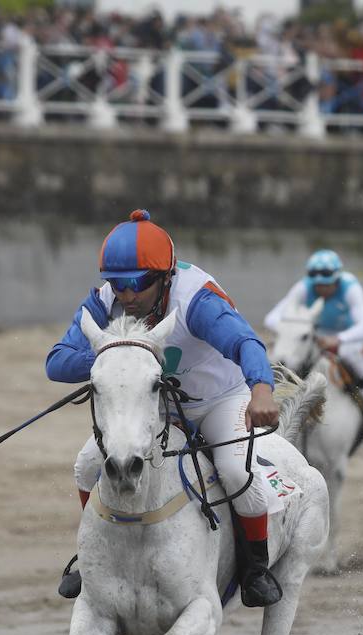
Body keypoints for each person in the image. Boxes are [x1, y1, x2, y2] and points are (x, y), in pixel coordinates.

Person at [45, 209, 284, 607]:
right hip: (160, 408)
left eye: (136, 284)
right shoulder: (105, 300)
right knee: (87, 466)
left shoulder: (197, 299)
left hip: (219, 400)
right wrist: (120, 357)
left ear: (165, 277)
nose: (125, 296)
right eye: (116, 284)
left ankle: (255, 570)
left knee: (233, 471)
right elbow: (57, 362)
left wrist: (262, 391)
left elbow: (247, 344)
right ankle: (92, 559)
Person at [264, 249, 363, 427]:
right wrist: (294, 328)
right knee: (276, 355)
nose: (321, 290)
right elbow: (271, 319)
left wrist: (338, 339)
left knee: (351, 354)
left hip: (345, 339)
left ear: (337, 279)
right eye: (317, 286)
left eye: (326, 286)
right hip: (312, 338)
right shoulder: (303, 287)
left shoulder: (350, 288)